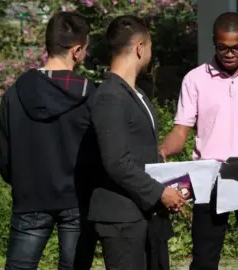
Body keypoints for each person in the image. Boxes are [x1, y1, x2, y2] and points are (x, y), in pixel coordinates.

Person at [159, 12, 238, 270]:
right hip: (209, 181)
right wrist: (162, 149)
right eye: (222, 48)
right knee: (204, 261)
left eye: (236, 48)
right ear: (213, 42)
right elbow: (180, 131)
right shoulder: (194, 79)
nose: (229, 54)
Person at [0, 12, 97, 270]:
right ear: (76, 50)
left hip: (30, 198)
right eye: (85, 49)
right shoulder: (90, 95)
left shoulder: (14, 93)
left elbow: (4, 157)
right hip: (77, 200)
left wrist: (23, 180)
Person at [87, 15, 185, 270]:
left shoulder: (136, 93)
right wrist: (159, 192)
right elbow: (116, 161)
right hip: (122, 218)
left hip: (146, 214)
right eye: (150, 46)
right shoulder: (109, 96)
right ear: (141, 48)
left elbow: (136, 149)